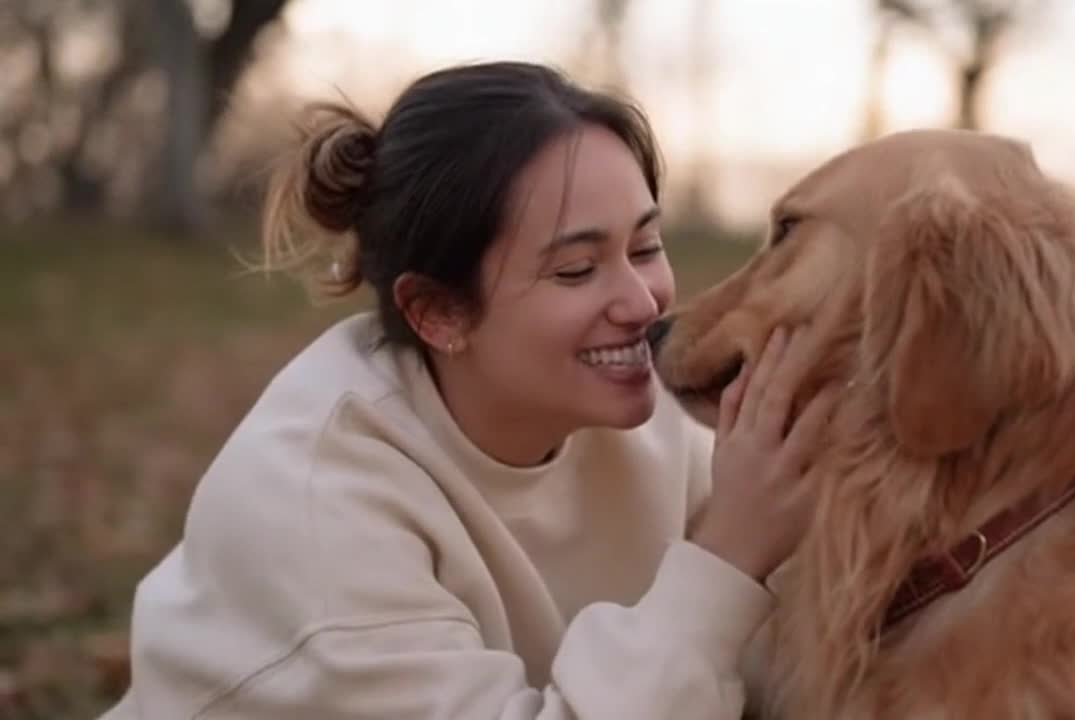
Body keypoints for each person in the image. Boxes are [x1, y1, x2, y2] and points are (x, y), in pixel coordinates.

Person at [98, 60, 833, 719]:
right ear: (438, 312)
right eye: (576, 270)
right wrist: (730, 554)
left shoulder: (651, 427)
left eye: (645, 247)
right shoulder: (315, 502)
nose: (644, 303)